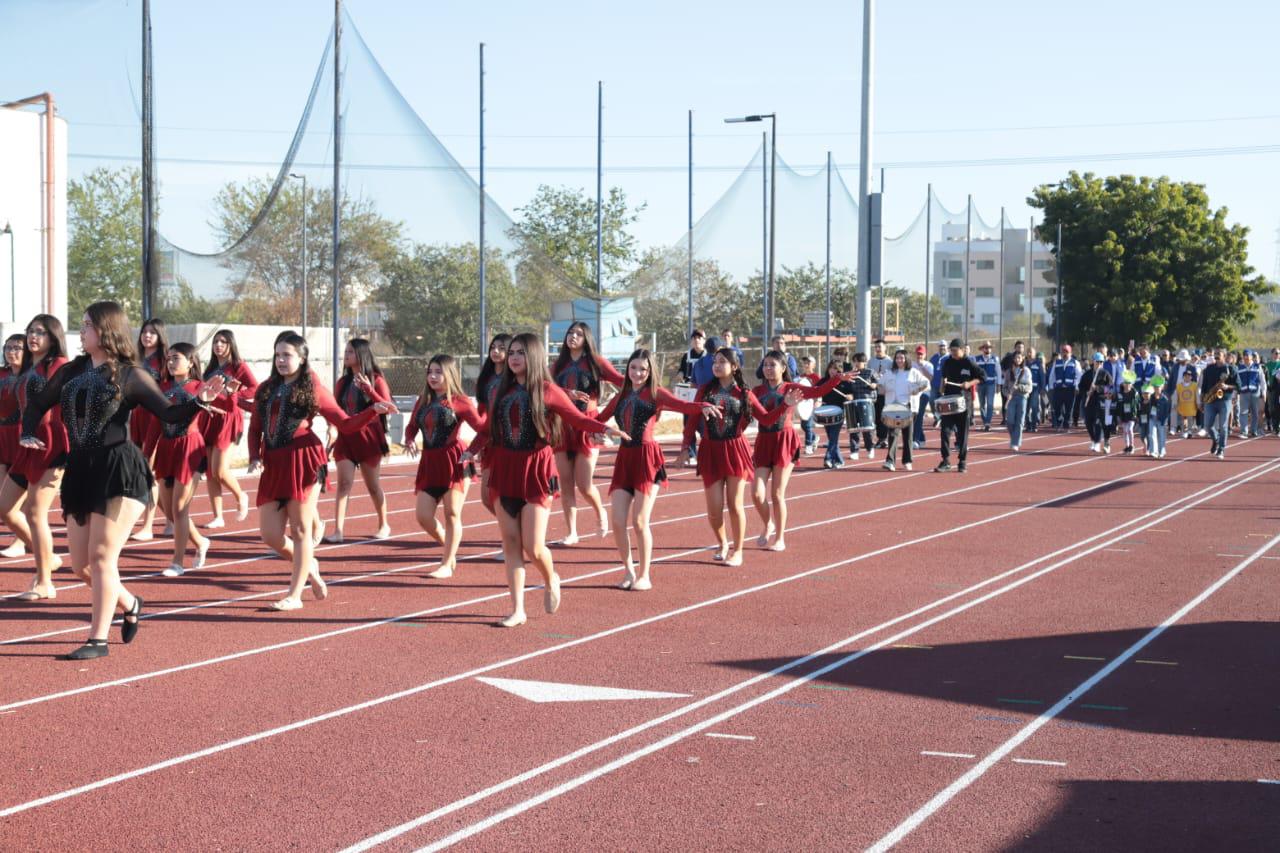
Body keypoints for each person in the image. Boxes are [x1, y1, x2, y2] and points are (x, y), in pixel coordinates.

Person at [19, 302, 226, 659]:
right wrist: (26, 431)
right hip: (80, 471)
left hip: (119, 469)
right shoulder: (71, 371)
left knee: (102, 558)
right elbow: (38, 404)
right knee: (81, 565)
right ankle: (130, 603)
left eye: (87, 326)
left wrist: (199, 401)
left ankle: (97, 640)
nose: (81, 332)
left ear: (106, 330)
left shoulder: (130, 374)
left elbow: (170, 414)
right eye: (82, 325)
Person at [471, 333, 625, 627]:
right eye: (512, 352)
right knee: (511, 543)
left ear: (534, 356)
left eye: (520, 352)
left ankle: (550, 576)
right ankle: (517, 609)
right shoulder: (501, 391)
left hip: (536, 469)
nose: (514, 357)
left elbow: (576, 420)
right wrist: (470, 451)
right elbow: (488, 429)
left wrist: (604, 429)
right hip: (505, 469)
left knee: (533, 545)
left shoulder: (548, 390)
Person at [246, 334, 397, 611]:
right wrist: (255, 456)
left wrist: (372, 411)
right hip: (274, 462)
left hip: (304, 459)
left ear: (301, 358)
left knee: (301, 529)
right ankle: (310, 566)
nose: (281, 360)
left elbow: (346, 423)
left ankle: (294, 595)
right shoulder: (266, 388)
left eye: (287, 355)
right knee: (270, 535)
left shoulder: (313, 387)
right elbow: (256, 425)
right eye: (277, 354)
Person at [595, 349, 718, 589]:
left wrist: (702, 406)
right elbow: (599, 418)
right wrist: (588, 424)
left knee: (640, 521)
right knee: (618, 521)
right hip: (624, 459)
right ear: (627, 369)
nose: (637, 373)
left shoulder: (656, 393)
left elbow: (683, 405)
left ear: (650, 371)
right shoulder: (620, 395)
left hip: (647, 458)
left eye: (643, 369)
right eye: (633, 368)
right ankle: (628, 571)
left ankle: (644, 575)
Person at [680, 347, 799, 566]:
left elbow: (765, 419)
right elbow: (691, 417)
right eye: (715, 361)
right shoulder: (705, 390)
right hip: (710, 450)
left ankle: (738, 550)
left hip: (735, 450)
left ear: (734, 367)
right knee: (714, 510)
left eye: (722, 362)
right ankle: (722, 542)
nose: (716, 365)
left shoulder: (744, 393)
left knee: (735, 505)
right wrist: (685, 446)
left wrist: (785, 405)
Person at [403, 354, 487, 580]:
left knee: (452, 513)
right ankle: (448, 544)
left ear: (449, 374)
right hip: (429, 462)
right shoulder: (422, 400)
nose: (433, 376)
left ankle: (447, 563)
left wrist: (473, 450)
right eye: (430, 371)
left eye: (438, 372)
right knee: (423, 516)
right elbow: (411, 427)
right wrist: (410, 439)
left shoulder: (460, 401)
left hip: (455, 460)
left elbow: (483, 428)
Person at [4, 315, 69, 601]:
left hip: (52, 443)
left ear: (53, 337)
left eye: (40, 332)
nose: (33, 336)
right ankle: (48, 557)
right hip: (26, 443)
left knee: (34, 512)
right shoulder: (28, 368)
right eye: (31, 331)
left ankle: (45, 582)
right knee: (5, 508)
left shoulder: (60, 365)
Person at [750, 349, 841, 548]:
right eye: (765, 365)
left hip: (784, 440)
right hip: (764, 441)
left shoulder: (792, 388)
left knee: (776, 494)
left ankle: (780, 538)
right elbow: (759, 416)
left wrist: (836, 379)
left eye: (772, 365)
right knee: (756, 493)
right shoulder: (756, 391)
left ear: (783, 368)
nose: (768, 369)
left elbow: (817, 391)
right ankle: (768, 524)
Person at [552, 321, 624, 545]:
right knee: (565, 482)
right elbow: (546, 387)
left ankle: (600, 512)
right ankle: (571, 531)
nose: (572, 336)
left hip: (588, 425)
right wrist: (567, 394)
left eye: (578, 334)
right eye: (570, 332)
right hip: (562, 426)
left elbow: (625, 383)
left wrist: (608, 412)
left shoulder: (596, 362)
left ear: (586, 339)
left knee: (583, 484)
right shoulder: (558, 365)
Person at [145, 343, 213, 577]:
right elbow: (155, 423)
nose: (171, 362)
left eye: (176, 358)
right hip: (166, 447)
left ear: (191, 362)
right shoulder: (161, 388)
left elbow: (215, 406)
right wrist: (146, 455)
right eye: (169, 358)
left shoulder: (199, 387)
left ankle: (177, 562)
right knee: (169, 509)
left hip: (189, 447)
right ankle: (200, 541)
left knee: (180, 508)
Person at [324, 339, 392, 543]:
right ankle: (338, 530)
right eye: (345, 351)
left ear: (361, 355)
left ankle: (384, 524)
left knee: (373, 486)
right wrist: (331, 427)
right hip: (346, 439)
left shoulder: (377, 379)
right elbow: (334, 409)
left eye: (350, 352)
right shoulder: (342, 382)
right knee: (343, 484)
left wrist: (368, 389)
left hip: (369, 439)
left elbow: (387, 405)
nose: (346, 355)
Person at [200, 329, 257, 528]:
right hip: (209, 419)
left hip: (229, 420)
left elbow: (255, 388)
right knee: (210, 471)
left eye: (223, 342)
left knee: (220, 471)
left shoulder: (238, 366)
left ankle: (241, 496)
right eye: (216, 342)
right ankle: (218, 516)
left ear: (230, 344)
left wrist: (234, 394)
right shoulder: (210, 369)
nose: (219, 345)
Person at [129, 318, 170, 541]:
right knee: (143, 471)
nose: (147, 336)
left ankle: (148, 525)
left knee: (148, 472)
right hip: (137, 416)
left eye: (152, 333)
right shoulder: (136, 358)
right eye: (144, 332)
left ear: (160, 336)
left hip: (155, 418)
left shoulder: (164, 361)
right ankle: (173, 519)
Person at [473, 333, 511, 515]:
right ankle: (511, 532)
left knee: (505, 495)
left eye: (502, 348)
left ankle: (514, 536)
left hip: (511, 441)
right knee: (487, 497)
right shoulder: (486, 377)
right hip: (490, 440)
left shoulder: (514, 378)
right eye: (493, 347)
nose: (495, 351)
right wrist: (480, 440)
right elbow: (481, 411)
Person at [934, 339, 983, 473]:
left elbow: (982, 376)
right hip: (949, 401)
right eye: (952, 350)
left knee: (962, 434)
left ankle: (962, 461)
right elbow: (943, 379)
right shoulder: (947, 362)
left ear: (962, 350)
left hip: (964, 402)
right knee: (945, 432)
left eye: (955, 351)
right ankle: (945, 460)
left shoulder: (969, 362)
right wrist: (941, 389)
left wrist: (969, 383)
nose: (953, 353)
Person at [0, 335, 28, 558]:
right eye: (8, 348)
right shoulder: (1, 374)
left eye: (17, 348)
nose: (12, 352)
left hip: (22, 435)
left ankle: (21, 541)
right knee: (3, 494)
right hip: (2, 436)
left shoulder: (32, 376)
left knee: (22, 494)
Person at [879, 349, 929, 471]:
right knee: (892, 434)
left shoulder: (913, 372)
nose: (899, 360)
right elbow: (880, 385)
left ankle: (907, 460)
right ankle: (890, 461)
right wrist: (880, 387)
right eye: (897, 358)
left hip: (908, 407)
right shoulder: (889, 373)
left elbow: (926, 383)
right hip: (892, 408)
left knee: (908, 435)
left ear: (906, 359)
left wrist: (917, 390)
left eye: (902, 358)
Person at [1199, 348, 1238, 459]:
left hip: (1224, 400)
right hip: (1210, 400)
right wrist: (1202, 400)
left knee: (1223, 426)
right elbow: (1204, 386)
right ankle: (1216, 440)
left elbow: (1238, 385)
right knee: (1208, 425)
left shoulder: (1231, 369)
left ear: (1224, 356)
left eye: (1218, 354)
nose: (1216, 356)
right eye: (1215, 354)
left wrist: (1227, 386)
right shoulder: (1209, 369)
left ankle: (1221, 449)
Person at [677, 330, 707, 461]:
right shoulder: (686, 356)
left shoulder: (708, 357)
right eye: (694, 338)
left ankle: (708, 450)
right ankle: (691, 453)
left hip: (704, 393)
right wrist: (679, 375)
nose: (697, 340)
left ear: (704, 340)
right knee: (688, 422)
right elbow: (681, 371)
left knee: (703, 424)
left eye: (700, 338)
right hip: (689, 393)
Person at [1003, 350, 1033, 452]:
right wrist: (1007, 394)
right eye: (1016, 358)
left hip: (1022, 397)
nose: (1017, 359)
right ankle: (1014, 438)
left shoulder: (1026, 371)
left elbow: (1029, 387)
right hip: (1011, 398)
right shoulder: (1008, 372)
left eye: (1019, 358)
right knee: (1010, 421)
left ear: (1022, 358)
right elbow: (1004, 387)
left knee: (1020, 421)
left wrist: (1019, 387)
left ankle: (1015, 443)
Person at [1046, 345, 1081, 430]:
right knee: (1056, 406)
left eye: (1067, 352)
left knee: (1069, 408)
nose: (1065, 354)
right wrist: (1051, 386)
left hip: (1070, 388)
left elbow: (1079, 375)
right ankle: (1059, 420)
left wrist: (1077, 386)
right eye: (1063, 352)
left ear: (1070, 353)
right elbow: (1052, 375)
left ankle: (1066, 424)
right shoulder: (1057, 362)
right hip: (1058, 388)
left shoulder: (1075, 362)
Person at [867, 338, 893, 448]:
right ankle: (879, 438)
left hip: (885, 392)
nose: (878, 349)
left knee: (884, 415)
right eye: (876, 347)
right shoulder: (871, 361)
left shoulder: (890, 362)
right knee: (876, 416)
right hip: (873, 392)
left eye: (880, 347)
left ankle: (884, 438)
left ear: (885, 348)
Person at [973, 340, 1000, 431]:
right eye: (985, 347)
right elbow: (975, 372)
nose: (987, 349)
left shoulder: (995, 359)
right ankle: (985, 421)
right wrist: (975, 383)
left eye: (988, 347)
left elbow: (998, 372)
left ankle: (988, 422)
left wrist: (998, 384)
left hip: (991, 384)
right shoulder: (977, 359)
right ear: (982, 349)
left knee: (990, 404)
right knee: (981, 405)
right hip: (980, 385)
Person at [1236, 350, 1263, 438]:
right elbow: (1237, 381)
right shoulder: (1239, 367)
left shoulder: (1257, 366)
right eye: (1244, 355)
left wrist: (1264, 392)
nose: (1246, 357)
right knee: (1243, 412)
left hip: (1255, 392)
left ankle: (1254, 430)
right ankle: (1244, 431)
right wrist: (1235, 394)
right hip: (1243, 393)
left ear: (1252, 356)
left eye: (1247, 355)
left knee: (1255, 412)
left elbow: (1262, 380)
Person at [911, 345, 933, 448]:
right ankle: (922, 438)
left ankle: (915, 440)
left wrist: (922, 367)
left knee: (919, 415)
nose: (919, 356)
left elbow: (930, 378)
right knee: (914, 416)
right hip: (914, 393)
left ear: (925, 354)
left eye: (921, 354)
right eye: (918, 353)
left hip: (924, 393)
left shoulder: (928, 365)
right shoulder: (911, 365)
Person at [1143, 376, 1171, 459]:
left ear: (1162, 388)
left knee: (1161, 435)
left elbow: (1167, 410)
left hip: (1161, 419)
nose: (1156, 389)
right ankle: (1153, 451)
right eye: (1155, 387)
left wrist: (1165, 420)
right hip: (1152, 418)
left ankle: (1161, 451)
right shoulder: (1151, 397)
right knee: (1151, 434)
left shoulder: (1165, 399)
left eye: (1158, 387)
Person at [797, 354, 820, 455]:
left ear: (813, 365)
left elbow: (820, 389)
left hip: (811, 403)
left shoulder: (816, 377)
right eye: (804, 363)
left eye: (808, 363)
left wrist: (818, 400)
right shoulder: (800, 377)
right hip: (803, 405)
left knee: (808, 425)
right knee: (804, 426)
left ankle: (808, 446)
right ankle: (815, 437)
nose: (806, 365)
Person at [1115, 371, 1140, 455]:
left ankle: (1132, 446)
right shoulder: (1120, 394)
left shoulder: (1134, 393)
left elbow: (1138, 403)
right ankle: (1127, 446)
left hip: (1132, 415)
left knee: (1130, 429)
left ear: (1131, 384)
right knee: (1125, 431)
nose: (1127, 385)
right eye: (1125, 383)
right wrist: (1118, 416)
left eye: (1129, 383)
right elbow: (1118, 405)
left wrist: (1137, 414)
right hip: (1123, 415)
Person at [1025, 347, 1046, 432]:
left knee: (1034, 407)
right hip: (1025, 389)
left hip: (1035, 389)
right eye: (1028, 352)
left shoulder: (1038, 363)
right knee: (1025, 408)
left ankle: (1034, 425)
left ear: (1034, 353)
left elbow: (1042, 376)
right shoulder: (1024, 363)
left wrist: (1042, 388)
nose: (1029, 354)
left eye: (1031, 352)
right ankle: (1028, 425)